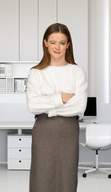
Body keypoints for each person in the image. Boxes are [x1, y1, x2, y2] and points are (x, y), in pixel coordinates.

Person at [26, 23, 88, 192]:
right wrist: (61, 98)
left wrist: (48, 105)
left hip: (69, 130)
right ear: (45, 42)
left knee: (67, 177)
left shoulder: (77, 72)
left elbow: (80, 105)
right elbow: (33, 105)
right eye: (53, 42)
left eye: (62, 43)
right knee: (42, 177)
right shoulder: (36, 73)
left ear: (68, 45)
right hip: (44, 129)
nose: (57, 47)